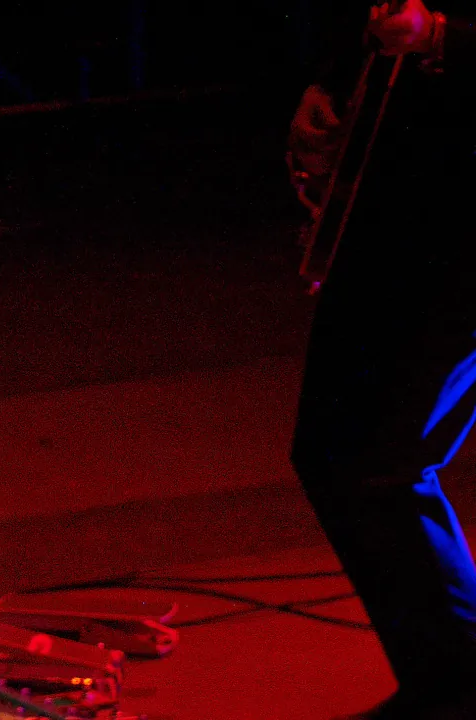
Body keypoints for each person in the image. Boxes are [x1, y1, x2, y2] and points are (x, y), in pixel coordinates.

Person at [288, 3, 476, 718]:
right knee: (336, 453)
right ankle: (444, 685)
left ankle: (455, 689)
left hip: (460, 226)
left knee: (378, 461)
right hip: (399, 206)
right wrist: (338, 77)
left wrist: (441, 39)